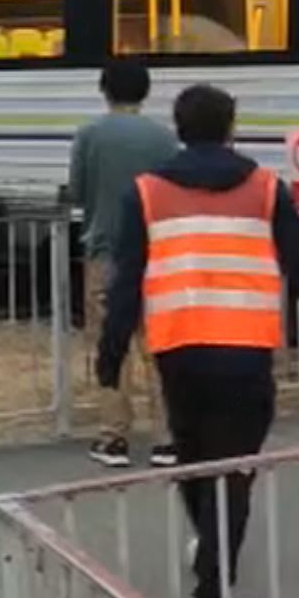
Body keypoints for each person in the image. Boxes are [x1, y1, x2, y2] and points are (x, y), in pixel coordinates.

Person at [97, 84, 299, 598]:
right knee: (235, 467)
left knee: (192, 458)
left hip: (178, 346)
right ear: (232, 127)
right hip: (245, 347)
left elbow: (126, 280)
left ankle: (209, 550)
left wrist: (112, 347)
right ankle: (215, 577)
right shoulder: (263, 188)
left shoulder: (144, 193)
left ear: (179, 131)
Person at [71, 60, 180, 468]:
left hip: (106, 252)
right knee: (158, 346)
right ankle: (167, 438)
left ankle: (113, 437)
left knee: (109, 345)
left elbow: (79, 193)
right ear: (146, 91)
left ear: (105, 89)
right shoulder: (165, 139)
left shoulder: (90, 135)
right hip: (157, 253)